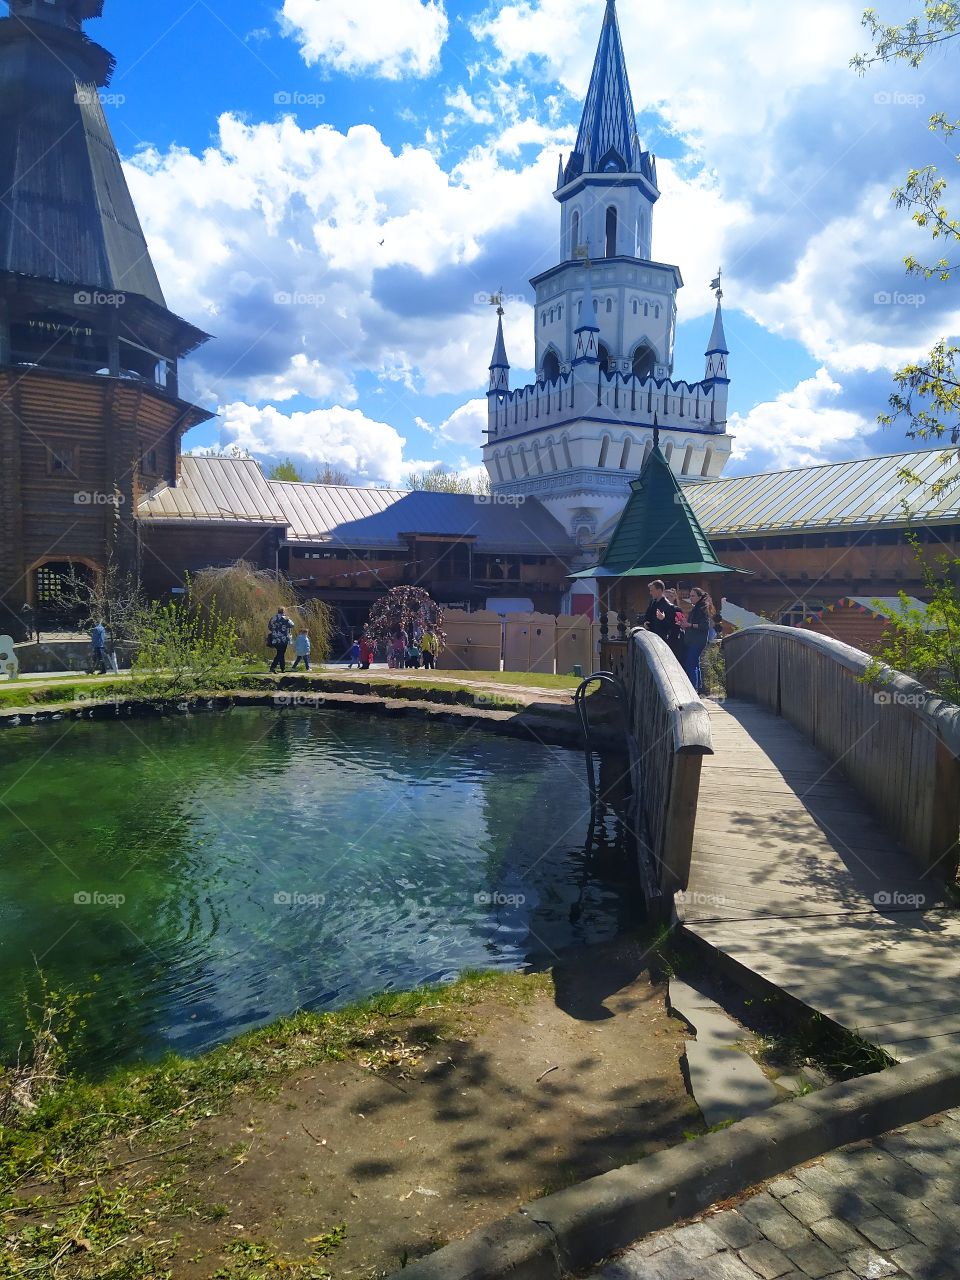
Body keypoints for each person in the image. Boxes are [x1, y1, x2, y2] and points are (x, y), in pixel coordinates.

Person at [642, 580, 684, 661]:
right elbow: (647, 617)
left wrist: (663, 619)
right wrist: (645, 623)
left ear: (659, 590)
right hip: (653, 640)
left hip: (666, 643)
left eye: (652, 590)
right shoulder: (652, 603)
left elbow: (677, 627)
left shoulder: (672, 608)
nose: (650, 593)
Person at [683, 588, 714, 695]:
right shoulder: (696, 608)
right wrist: (684, 624)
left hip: (697, 641)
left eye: (693, 596)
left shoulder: (702, 609)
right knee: (695, 664)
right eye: (690, 596)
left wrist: (689, 625)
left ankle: (694, 688)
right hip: (694, 640)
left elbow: (704, 626)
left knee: (690, 663)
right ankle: (698, 688)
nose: (690, 598)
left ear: (699, 597)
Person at [267, 606, 296, 674]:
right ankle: (273, 667)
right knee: (280, 653)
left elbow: (269, 627)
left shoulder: (273, 618)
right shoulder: (285, 618)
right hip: (284, 639)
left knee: (281, 653)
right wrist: (287, 619)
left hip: (275, 639)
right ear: (284, 611)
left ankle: (283, 668)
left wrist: (275, 631)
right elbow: (292, 625)